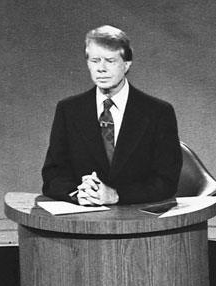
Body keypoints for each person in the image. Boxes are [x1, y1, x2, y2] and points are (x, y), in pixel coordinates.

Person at [42, 25, 182, 205]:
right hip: (84, 218)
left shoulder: (158, 112)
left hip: (139, 220)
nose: (101, 68)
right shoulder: (68, 110)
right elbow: (52, 174)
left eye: (110, 60)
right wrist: (77, 194)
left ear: (127, 64)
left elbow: (167, 181)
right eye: (95, 60)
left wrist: (116, 195)